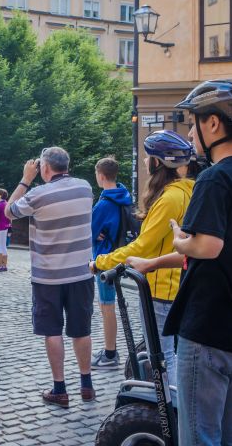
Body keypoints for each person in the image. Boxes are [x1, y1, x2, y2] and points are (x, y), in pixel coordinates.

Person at [164, 80, 232, 446]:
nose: (191, 132)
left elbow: (208, 246)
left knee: (199, 435)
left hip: (209, 325)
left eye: (193, 123)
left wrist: (181, 239)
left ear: (214, 124)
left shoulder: (214, 179)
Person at [91, 132, 195, 380]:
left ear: (157, 162)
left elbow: (142, 246)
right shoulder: (188, 191)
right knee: (170, 351)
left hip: (162, 287)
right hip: (178, 282)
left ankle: (170, 411)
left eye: (148, 157)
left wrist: (100, 262)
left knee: (162, 354)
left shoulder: (169, 197)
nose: (146, 162)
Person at [7, 146, 97, 407]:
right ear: (67, 165)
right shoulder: (85, 188)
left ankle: (60, 388)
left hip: (48, 277)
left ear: (45, 168)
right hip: (81, 273)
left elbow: (7, 212)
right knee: (82, 330)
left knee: (52, 330)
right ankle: (87, 385)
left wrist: (26, 179)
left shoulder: (37, 194)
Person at [89, 157, 133, 369]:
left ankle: (110, 354)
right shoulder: (125, 196)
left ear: (101, 175)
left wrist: (96, 235)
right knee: (109, 306)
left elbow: (89, 231)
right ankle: (109, 348)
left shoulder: (105, 203)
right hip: (120, 255)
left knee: (107, 307)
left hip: (106, 260)